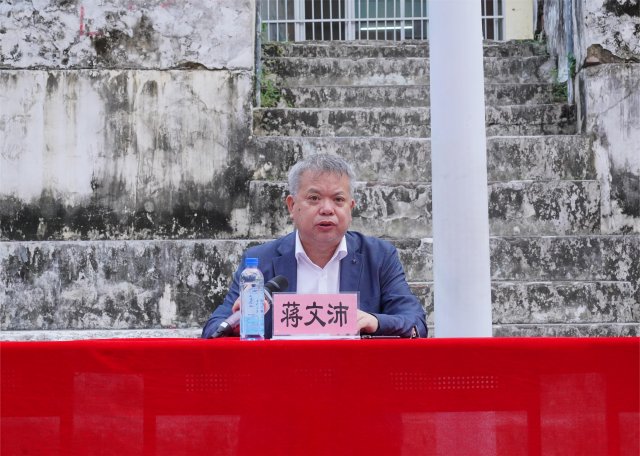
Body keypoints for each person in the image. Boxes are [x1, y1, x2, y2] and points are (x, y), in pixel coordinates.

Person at [202, 154, 428, 339]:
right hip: (283, 376)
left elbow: (415, 322)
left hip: (353, 375)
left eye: (338, 200)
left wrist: (375, 322)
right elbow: (214, 328)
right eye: (314, 198)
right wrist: (236, 323)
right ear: (292, 206)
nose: (327, 209)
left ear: (350, 208)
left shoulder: (378, 257)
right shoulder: (260, 262)